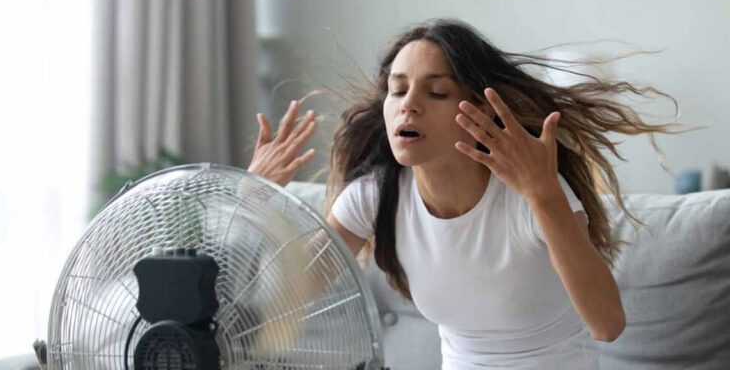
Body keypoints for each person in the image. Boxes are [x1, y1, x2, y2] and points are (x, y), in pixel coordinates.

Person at [248, 19, 677, 369]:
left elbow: (607, 324)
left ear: (481, 110)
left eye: (436, 92)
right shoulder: (376, 197)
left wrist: (544, 195)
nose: (408, 105)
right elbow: (288, 298)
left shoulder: (532, 193)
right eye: (397, 90)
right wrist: (252, 196)